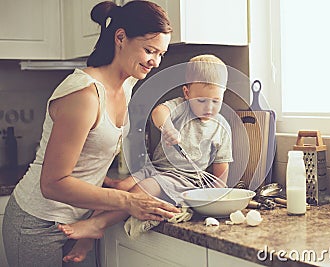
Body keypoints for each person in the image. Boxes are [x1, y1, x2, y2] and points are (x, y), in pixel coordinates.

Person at [2, 1, 181, 266]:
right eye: (149, 50)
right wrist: (127, 201)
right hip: (37, 224)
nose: (155, 62)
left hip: (82, 220)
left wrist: (111, 184)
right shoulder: (84, 94)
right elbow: (52, 183)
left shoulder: (128, 82)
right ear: (120, 37)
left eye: (161, 54)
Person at [57, 54, 233, 259]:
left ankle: (98, 224)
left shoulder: (221, 128)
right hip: (157, 168)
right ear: (186, 93)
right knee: (120, 190)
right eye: (201, 100)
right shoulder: (180, 108)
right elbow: (159, 112)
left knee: (140, 191)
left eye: (216, 100)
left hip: (183, 178)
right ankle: (86, 240)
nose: (209, 107)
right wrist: (167, 127)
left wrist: (213, 199)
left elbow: (221, 174)